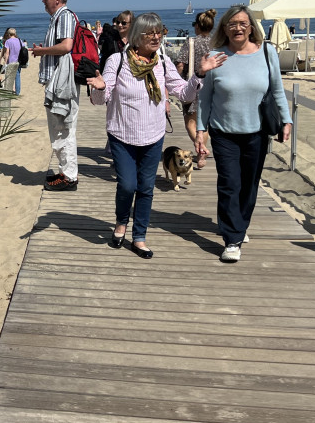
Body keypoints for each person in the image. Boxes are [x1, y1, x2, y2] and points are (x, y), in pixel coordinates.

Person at [87, 13, 224, 257]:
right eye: (150, 33)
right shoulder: (117, 61)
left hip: (153, 136)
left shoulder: (162, 62)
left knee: (146, 188)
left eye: (159, 32)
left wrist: (200, 74)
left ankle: (139, 237)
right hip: (122, 135)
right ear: (136, 36)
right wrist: (97, 88)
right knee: (128, 185)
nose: (156, 37)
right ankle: (121, 223)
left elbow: (183, 94)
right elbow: (101, 99)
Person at [195, 5, 293, 263]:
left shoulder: (267, 53)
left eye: (242, 23)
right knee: (229, 184)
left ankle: (239, 224)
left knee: (249, 185)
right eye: (232, 24)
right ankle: (232, 239)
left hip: (257, 131)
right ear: (224, 28)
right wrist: (201, 131)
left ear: (251, 27)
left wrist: (286, 120)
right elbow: (205, 98)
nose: (237, 28)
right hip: (223, 132)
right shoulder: (215, 56)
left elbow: (278, 90)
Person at [31, 0, 79, 191]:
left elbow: (66, 46)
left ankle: (69, 177)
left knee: (64, 129)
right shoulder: (57, 18)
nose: (43, 0)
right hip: (57, 83)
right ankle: (65, 172)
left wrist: (43, 52)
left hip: (61, 83)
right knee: (59, 128)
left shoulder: (64, 16)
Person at [174, 8, 217, 166]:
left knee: (190, 122)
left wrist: (177, 80)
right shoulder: (216, 43)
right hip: (211, 86)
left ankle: (201, 147)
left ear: (198, 26)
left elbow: (180, 64)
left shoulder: (191, 42)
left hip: (193, 84)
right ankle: (201, 155)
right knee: (203, 122)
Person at [2, 27, 23, 94]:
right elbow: (23, 49)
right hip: (19, 61)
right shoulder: (20, 40)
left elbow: (7, 52)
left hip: (11, 61)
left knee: (9, 77)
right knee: (17, 77)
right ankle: (17, 92)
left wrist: (5, 62)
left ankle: (8, 91)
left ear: (8, 34)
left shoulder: (8, 41)